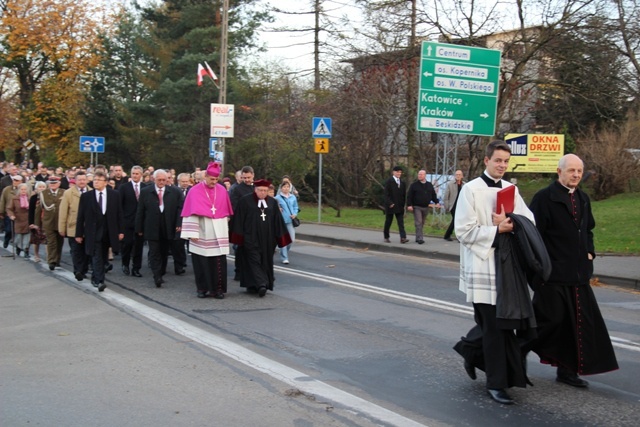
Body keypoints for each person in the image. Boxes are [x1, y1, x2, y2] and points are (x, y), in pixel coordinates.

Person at [452, 140, 536, 405]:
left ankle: (469, 351)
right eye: (497, 160)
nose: (502, 165)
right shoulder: (470, 190)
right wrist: (497, 230)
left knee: (503, 323)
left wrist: (510, 222)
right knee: (494, 327)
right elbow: (463, 231)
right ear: (486, 160)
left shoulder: (512, 189)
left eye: (505, 161)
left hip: (507, 268)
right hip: (482, 266)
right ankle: (496, 384)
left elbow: (528, 220)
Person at [527, 154, 618, 387]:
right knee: (545, 325)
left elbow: (588, 230)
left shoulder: (583, 198)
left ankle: (567, 371)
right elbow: (533, 237)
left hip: (578, 275)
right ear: (559, 172)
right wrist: (540, 270)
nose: (576, 174)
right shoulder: (544, 198)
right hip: (552, 276)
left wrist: (590, 253)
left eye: (579, 170)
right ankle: (509, 359)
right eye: (571, 170)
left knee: (576, 326)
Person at [230, 179, 291, 297]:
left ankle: (255, 285)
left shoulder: (272, 203)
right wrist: (238, 237)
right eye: (260, 190)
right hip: (250, 237)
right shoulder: (245, 201)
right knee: (253, 260)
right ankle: (261, 283)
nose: (263, 193)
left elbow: (278, 221)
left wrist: (281, 238)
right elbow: (239, 220)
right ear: (255, 190)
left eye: (265, 191)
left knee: (265, 260)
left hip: (268, 239)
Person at [180, 162, 233, 299]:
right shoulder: (195, 190)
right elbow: (190, 212)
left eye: (216, 179)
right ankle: (202, 289)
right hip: (202, 230)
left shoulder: (222, 190)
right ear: (205, 177)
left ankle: (218, 290)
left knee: (218, 263)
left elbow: (226, 211)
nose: (214, 182)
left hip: (218, 230)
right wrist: (192, 233)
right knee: (201, 262)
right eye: (211, 179)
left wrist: (225, 222)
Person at [136, 169, 186, 288]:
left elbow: (180, 209)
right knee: (154, 252)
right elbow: (140, 211)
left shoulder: (175, 191)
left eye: (164, 180)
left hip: (168, 226)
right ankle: (156, 275)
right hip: (152, 226)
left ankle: (161, 271)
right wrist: (139, 228)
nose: (162, 182)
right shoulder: (146, 191)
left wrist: (179, 224)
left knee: (164, 251)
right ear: (154, 179)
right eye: (159, 180)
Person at [75, 171, 124, 292]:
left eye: (99, 180)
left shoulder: (114, 195)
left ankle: (95, 277)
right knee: (96, 255)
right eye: (94, 180)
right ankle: (99, 280)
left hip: (109, 231)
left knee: (103, 256)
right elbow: (81, 216)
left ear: (105, 182)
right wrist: (78, 233)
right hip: (93, 232)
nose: (95, 182)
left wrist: (121, 231)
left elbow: (119, 214)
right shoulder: (87, 196)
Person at [58, 171, 91, 281]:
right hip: (74, 226)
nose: (82, 182)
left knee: (86, 251)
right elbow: (63, 212)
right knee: (76, 251)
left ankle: (84, 270)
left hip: (88, 227)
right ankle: (78, 270)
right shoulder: (68, 193)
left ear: (86, 180)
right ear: (75, 181)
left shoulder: (91, 191)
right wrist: (61, 228)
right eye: (79, 180)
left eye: (83, 179)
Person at [119, 166, 147, 277]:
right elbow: (119, 206)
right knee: (127, 244)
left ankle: (136, 268)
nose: (135, 175)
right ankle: (125, 264)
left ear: (141, 175)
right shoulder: (124, 187)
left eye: (137, 173)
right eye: (133, 173)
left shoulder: (145, 187)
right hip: (127, 222)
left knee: (138, 246)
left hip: (140, 222)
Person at [35, 176, 66, 270]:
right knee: (51, 242)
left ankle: (57, 260)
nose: (52, 185)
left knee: (60, 242)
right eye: (51, 183)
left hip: (60, 222)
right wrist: (37, 224)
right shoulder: (43, 194)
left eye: (54, 183)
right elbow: (39, 209)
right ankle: (51, 261)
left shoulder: (64, 193)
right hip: (48, 222)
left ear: (59, 183)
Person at [406, 170, 440, 244]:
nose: (419, 176)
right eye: (419, 174)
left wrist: (437, 202)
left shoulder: (429, 185)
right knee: (419, 222)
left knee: (422, 223)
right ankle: (420, 238)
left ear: (425, 175)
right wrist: (409, 205)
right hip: (417, 206)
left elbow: (433, 195)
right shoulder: (414, 185)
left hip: (425, 207)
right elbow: (409, 196)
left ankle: (417, 237)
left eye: (421, 174)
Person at [275, 181, 299, 264]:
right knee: (284, 240)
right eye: (284, 187)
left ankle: (283, 249)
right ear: (281, 188)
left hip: (290, 221)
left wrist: (295, 214)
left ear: (290, 188)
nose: (286, 188)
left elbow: (296, 207)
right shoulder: (277, 198)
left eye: (288, 187)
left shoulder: (293, 197)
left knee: (291, 240)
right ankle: (284, 257)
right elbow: (273, 207)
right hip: (281, 222)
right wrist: (278, 209)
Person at [383, 166, 408, 244]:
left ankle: (403, 237)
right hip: (391, 205)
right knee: (388, 221)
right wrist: (390, 203)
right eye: (397, 172)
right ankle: (386, 236)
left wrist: (403, 204)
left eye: (400, 172)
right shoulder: (389, 181)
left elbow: (403, 195)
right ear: (393, 172)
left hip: (399, 206)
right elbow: (386, 194)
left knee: (401, 222)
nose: (399, 173)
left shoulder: (402, 182)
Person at [6, 183, 32, 258]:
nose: (23, 191)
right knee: (19, 235)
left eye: (25, 189)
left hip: (28, 219)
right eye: (22, 189)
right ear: (19, 190)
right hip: (18, 219)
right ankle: (18, 247)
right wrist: (11, 215)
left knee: (27, 236)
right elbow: (9, 208)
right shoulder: (14, 198)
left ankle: (26, 250)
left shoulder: (30, 198)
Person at [0, 173, 22, 248]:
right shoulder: (7, 189)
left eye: (17, 181)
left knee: (18, 232)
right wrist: (1, 212)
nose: (15, 182)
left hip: (20, 214)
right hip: (8, 212)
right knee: (9, 230)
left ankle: (18, 247)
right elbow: (2, 200)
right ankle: (7, 239)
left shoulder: (22, 189)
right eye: (14, 180)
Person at [443, 170, 466, 241]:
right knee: (456, 220)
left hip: (461, 206)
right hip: (453, 205)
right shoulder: (450, 184)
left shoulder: (465, 185)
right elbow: (446, 196)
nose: (458, 176)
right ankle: (455, 236)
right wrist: (446, 206)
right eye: (456, 174)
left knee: (457, 221)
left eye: (459, 174)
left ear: (462, 176)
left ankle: (448, 235)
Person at [28, 181, 48, 262]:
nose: (42, 188)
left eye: (43, 187)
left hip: (46, 221)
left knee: (47, 240)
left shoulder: (48, 197)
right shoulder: (34, 198)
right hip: (36, 221)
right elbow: (31, 211)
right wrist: (31, 223)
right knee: (36, 240)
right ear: (36, 188)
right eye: (40, 187)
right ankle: (36, 255)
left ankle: (48, 257)